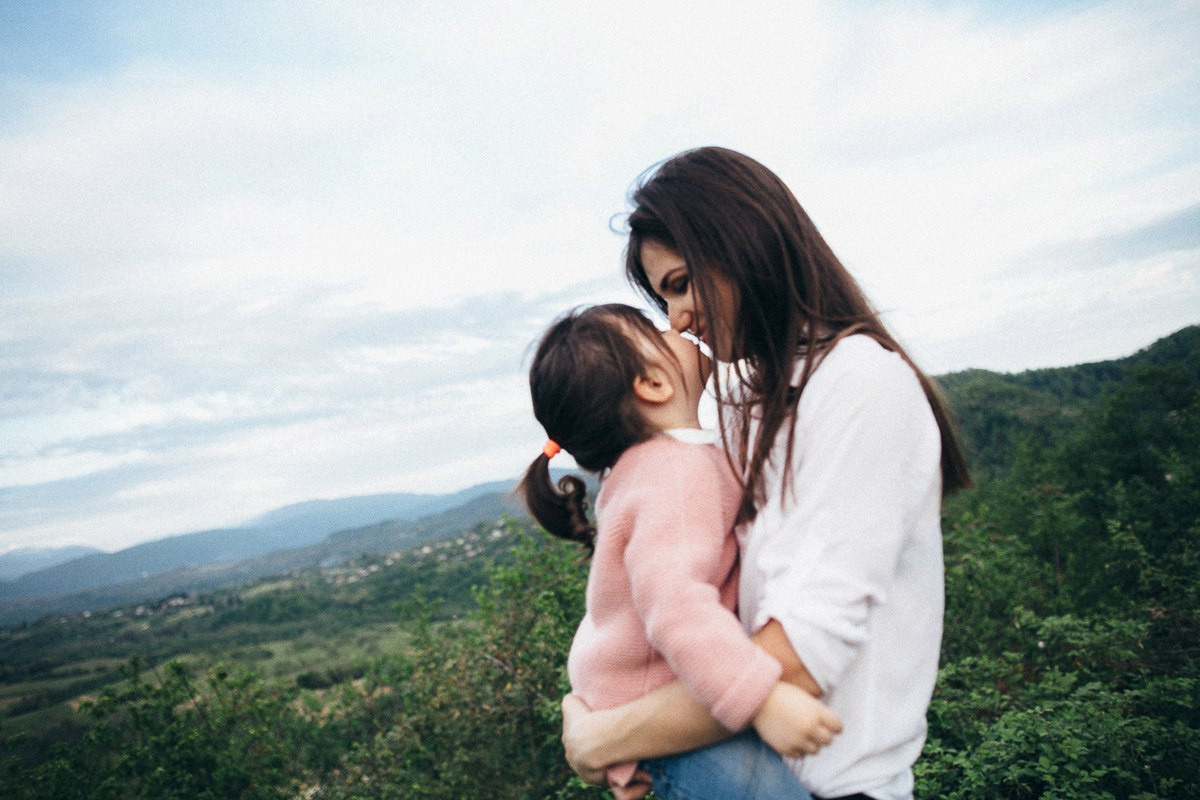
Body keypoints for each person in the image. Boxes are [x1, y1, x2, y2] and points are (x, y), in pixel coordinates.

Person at [560, 147, 972, 800]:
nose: (680, 320)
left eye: (681, 284)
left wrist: (604, 737)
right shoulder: (727, 402)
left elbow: (798, 665)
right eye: (664, 298)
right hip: (723, 764)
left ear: (742, 241)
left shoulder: (860, 384)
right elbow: (669, 588)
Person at [520, 303, 844, 799]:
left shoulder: (651, 468)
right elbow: (675, 606)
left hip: (644, 706)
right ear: (652, 384)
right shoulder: (675, 473)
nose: (674, 326)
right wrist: (764, 702)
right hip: (671, 716)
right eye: (654, 330)